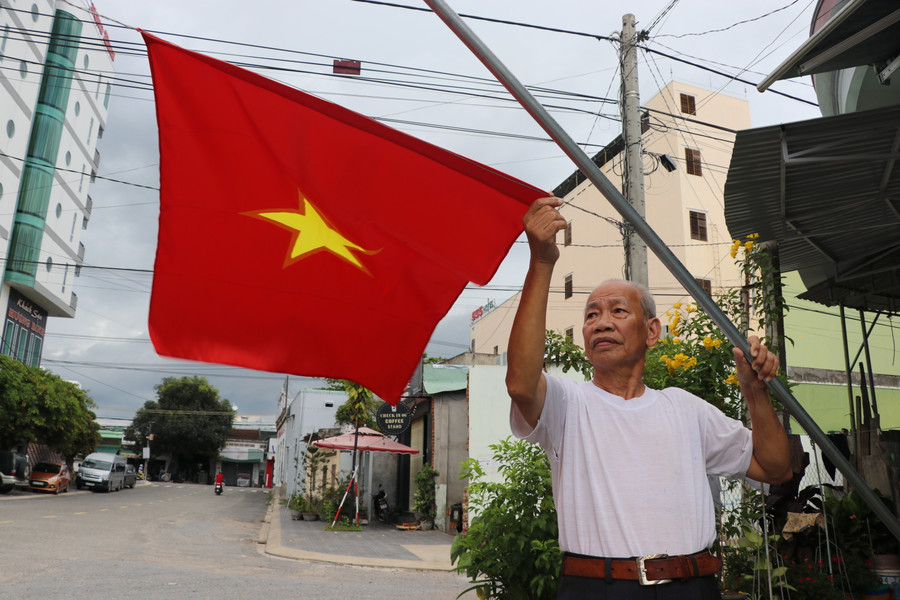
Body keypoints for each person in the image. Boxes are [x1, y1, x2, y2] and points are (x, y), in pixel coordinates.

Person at [506, 197, 792, 599]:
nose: (601, 323)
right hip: (597, 589)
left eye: (618, 311)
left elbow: (775, 467)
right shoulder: (567, 404)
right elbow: (521, 384)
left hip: (692, 587)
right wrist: (541, 261)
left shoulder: (685, 408)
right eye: (591, 315)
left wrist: (755, 391)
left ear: (652, 331)